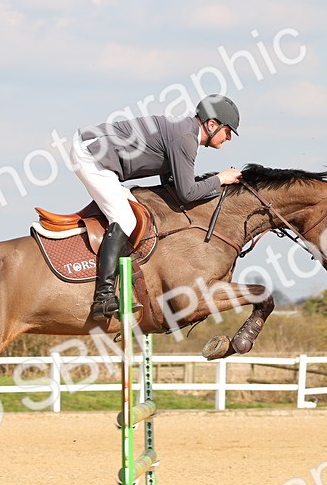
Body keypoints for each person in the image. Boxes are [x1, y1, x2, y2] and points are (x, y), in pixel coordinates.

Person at [73, 94, 243, 320]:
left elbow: (173, 186)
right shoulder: (186, 139)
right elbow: (187, 193)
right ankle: (103, 299)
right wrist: (220, 179)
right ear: (212, 124)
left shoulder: (186, 133)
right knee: (125, 219)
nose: (228, 137)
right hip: (91, 155)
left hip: (96, 152)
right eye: (228, 131)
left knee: (137, 214)